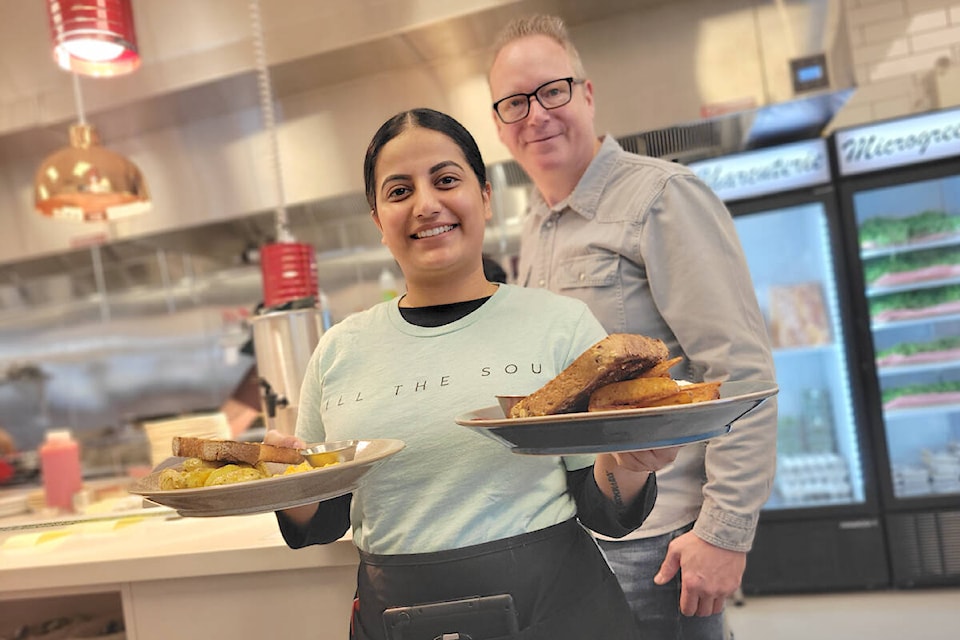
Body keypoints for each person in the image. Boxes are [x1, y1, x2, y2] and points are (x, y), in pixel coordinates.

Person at [265, 107, 681, 640]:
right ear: (377, 219)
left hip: (557, 612)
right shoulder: (339, 350)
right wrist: (280, 482)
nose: (426, 204)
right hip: (397, 618)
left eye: (445, 180)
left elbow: (604, 508)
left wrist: (633, 460)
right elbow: (323, 520)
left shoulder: (559, 324)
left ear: (484, 195)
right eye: (398, 192)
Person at [487, 14, 778, 639]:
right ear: (499, 125)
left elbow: (741, 371)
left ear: (587, 94)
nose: (536, 115)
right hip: (576, 534)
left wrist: (723, 534)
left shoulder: (663, 197)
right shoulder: (536, 225)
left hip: (660, 540)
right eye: (514, 102)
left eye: (552, 91)